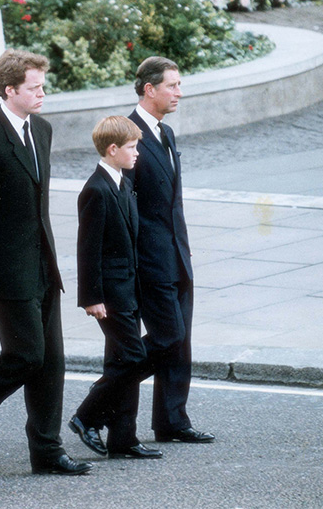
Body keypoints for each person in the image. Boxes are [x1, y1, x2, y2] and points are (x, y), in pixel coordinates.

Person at [0, 49, 92, 476]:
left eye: (42, 85)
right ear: (11, 90)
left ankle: (47, 451)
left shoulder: (41, 130)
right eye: (35, 87)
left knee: (52, 361)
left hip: (43, 263)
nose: (42, 92)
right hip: (6, 269)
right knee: (27, 353)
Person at [125, 57, 215, 444]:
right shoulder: (127, 134)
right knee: (168, 338)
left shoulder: (166, 133)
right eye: (172, 85)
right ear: (150, 89)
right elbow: (122, 204)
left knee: (181, 341)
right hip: (150, 259)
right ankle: (96, 404)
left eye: (179, 85)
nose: (179, 92)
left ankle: (172, 421)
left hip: (177, 254)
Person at [69, 116, 162, 460]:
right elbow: (87, 249)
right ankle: (85, 416)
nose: (137, 153)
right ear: (112, 149)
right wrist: (91, 297)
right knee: (135, 358)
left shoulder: (122, 183)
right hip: (109, 295)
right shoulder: (96, 189)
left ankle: (123, 438)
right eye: (132, 147)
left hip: (129, 289)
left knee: (122, 360)